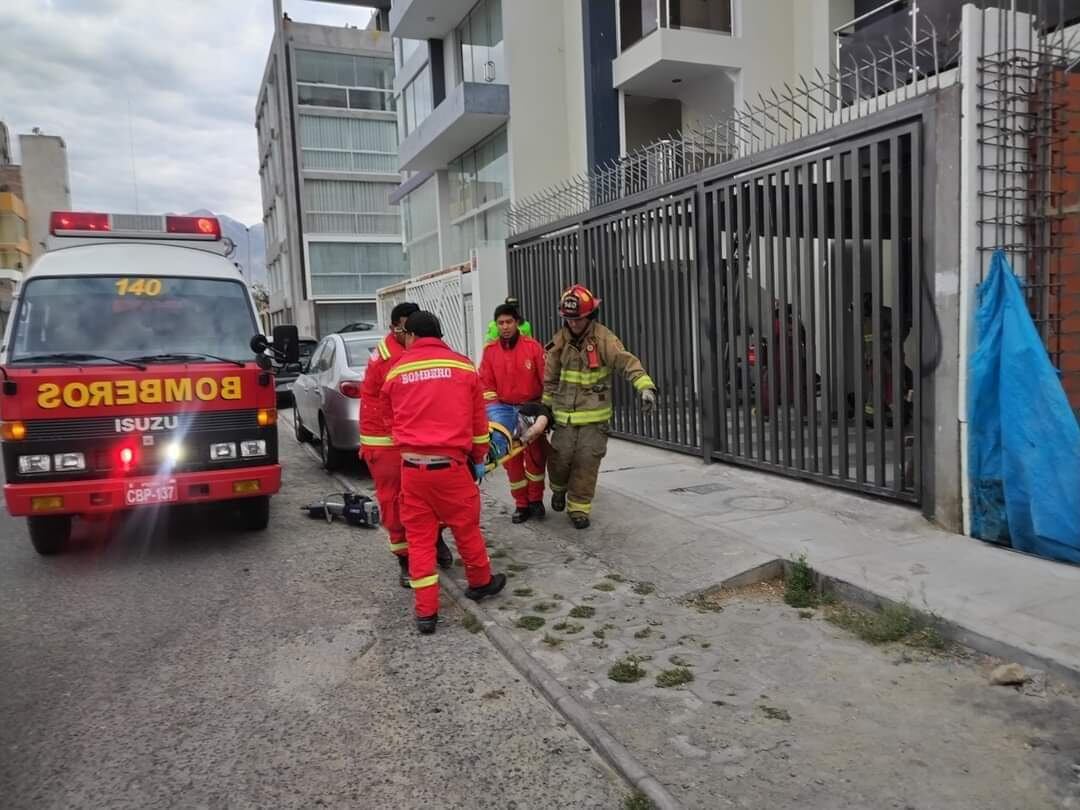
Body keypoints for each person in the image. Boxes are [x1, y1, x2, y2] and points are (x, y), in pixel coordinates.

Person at [382, 311, 507, 634]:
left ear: (412, 335)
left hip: (412, 470)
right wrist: (478, 456)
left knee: (420, 541)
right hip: (451, 467)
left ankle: (426, 614)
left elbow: (388, 419)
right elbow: (479, 424)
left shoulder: (397, 370)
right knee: (465, 527)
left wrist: (408, 442)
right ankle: (480, 582)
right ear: (439, 335)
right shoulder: (463, 366)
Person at [543, 284, 657, 530]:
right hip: (564, 417)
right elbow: (550, 377)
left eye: (578, 319)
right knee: (559, 459)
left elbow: (627, 362)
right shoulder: (559, 340)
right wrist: (545, 410)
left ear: (589, 316)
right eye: (569, 319)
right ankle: (559, 490)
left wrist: (645, 388)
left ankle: (579, 509)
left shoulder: (604, 338)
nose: (573, 324)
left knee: (586, 462)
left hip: (595, 418)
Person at [360, 302, 453, 588]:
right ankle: (405, 558)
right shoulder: (389, 357)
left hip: (415, 435)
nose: (410, 334)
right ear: (394, 329)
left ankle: (434, 540)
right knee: (395, 501)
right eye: (404, 329)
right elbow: (390, 405)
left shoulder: (423, 349)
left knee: (429, 494)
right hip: (386, 441)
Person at [479, 302, 548, 524]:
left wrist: (543, 410)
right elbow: (486, 386)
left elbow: (546, 380)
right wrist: (495, 414)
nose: (505, 326)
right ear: (496, 325)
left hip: (530, 407)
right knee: (512, 460)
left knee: (535, 457)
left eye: (509, 322)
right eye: (501, 323)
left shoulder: (533, 347)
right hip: (504, 408)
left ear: (517, 323)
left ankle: (536, 501)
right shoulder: (490, 351)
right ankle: (521, 504)